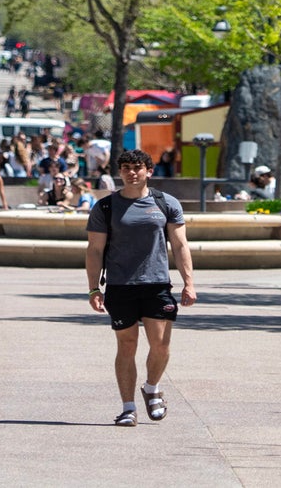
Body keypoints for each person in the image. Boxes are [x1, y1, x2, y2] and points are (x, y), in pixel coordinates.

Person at [85, 149, 196, 427]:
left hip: (156, 283)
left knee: (160, 344)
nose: (131, 172)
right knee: (127, 345)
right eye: (125, 168)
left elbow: (180, 244)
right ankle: (128, 407)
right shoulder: (106, 207)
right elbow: (95, 250)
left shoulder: (165, 203)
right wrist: (93, 289)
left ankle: (151, 387)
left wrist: (189, 283)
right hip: (120, 285)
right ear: (119, 172)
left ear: (149, 170)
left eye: (137, 167)